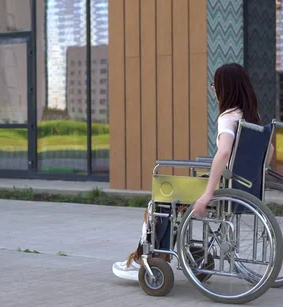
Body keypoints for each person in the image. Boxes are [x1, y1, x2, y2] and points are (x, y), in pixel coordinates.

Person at [112, 63, 267, 280]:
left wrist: (207, 194)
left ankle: (149, 259)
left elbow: (222, 154)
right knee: (172, 201)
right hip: (240, 186)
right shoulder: (253, 118)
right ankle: (163, 255)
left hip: (222, 186)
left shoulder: (228, 118)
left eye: (215, 85)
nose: (213, 89)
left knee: (161, 201)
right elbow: (268, 153)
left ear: (225, 88)